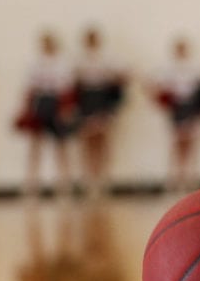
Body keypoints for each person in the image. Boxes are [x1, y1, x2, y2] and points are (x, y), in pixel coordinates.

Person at [14, 31, 78, 196]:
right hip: (40, 102)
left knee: (60, 145)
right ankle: (31, 184)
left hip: (56, 102)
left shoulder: (63, 62)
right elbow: (29, 88)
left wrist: (66, 109)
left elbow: (67, 88)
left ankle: (64, 184)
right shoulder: (35, 63)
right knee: (35, 145)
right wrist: (26, 109)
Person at [148, 37, 200, 192]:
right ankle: (175, 178)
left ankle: (191, 177)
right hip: (177, 108)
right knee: (177, 142)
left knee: (191, 143)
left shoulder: (196, 68)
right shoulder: (168, 68)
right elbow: (155, 85)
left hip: (191, 108)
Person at [75, 26, 127, 195]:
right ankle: (89, 180)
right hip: (86, 101)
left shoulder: (108, 58)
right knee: (87, 140)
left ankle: (104, 179)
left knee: (103, 140)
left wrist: (111, 76)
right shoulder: (78, 59)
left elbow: (124, 76)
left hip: (102, 100)